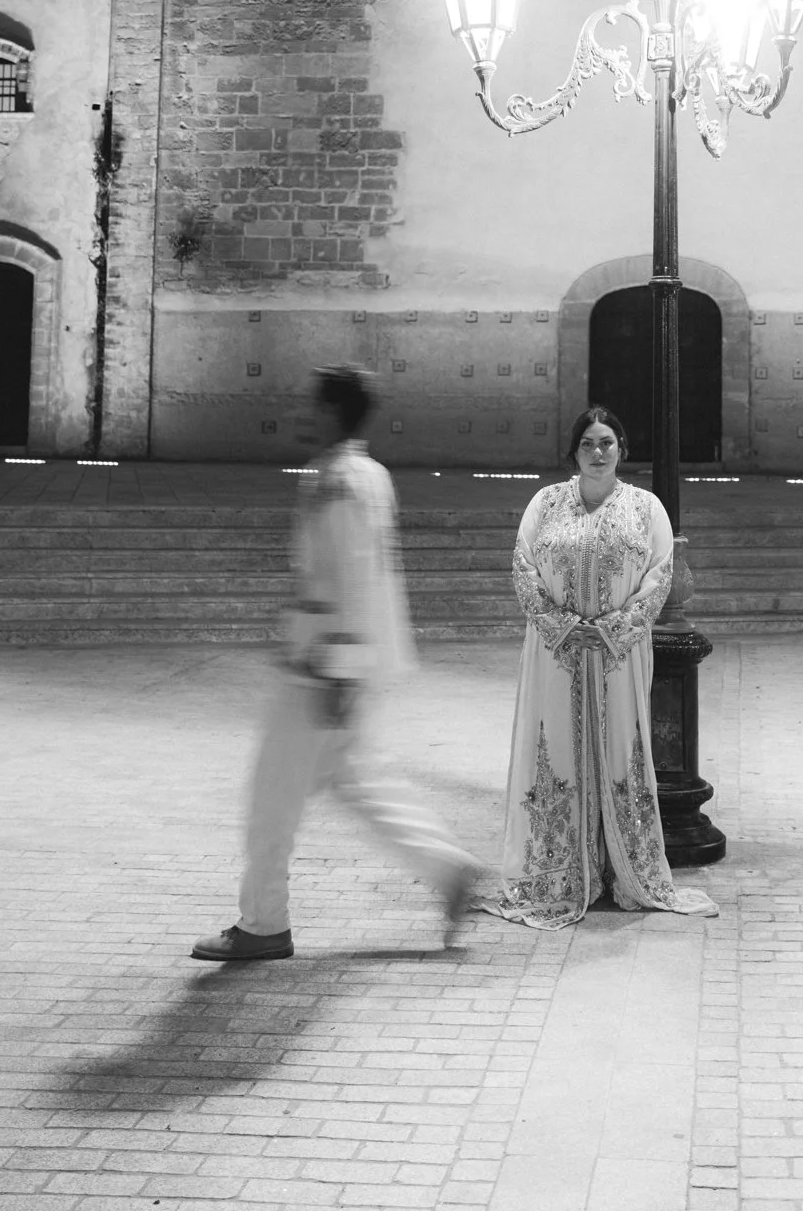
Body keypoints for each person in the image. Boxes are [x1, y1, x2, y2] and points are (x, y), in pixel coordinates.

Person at [192, 367, 479, 961]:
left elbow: (350, 576)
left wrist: (336, 670)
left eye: (312, 403)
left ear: (331, 411)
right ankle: (448, 869)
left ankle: (264, 925)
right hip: (342, 662)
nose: (304, 412)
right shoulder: (366, 474)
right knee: (358, 782)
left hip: (319, 667)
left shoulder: (338, 480)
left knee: (272, 799)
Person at [480, 405, 717, 929]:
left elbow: (659, 574)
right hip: (556, 653)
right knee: (556, 750)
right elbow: (523, 567)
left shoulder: (645, 507)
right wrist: (562, 626)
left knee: (619, 750)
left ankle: (620, 867)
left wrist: (612, 629)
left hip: (617, 655)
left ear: (622, 449)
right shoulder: (545, 504)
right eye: (588, 443)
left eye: (607, 442)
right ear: (575, 450)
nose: (597, 452)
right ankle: (559, 870)